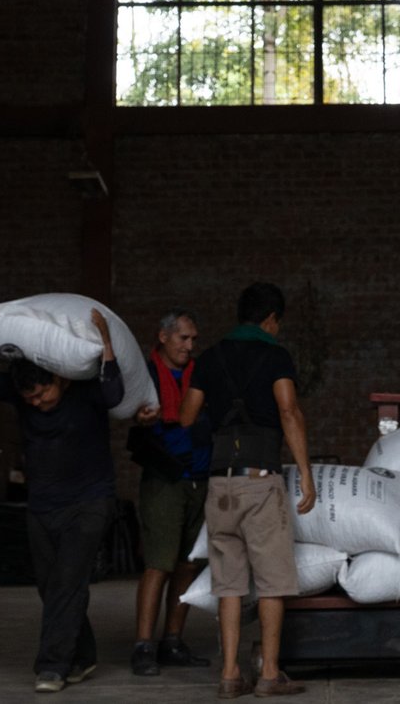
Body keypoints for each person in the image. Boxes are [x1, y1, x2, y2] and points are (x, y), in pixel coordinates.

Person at [0, 309, 145, 693]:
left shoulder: (85, 391)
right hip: (42, 505)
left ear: (60, 378)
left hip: (89, 502)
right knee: (50, 587)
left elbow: (115, 393)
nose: (37, 402)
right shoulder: (24, 397)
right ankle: (82, 656)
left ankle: (52, 666)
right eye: (30, 398)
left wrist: (105, 342)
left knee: (68, 583)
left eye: (41, 393)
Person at [177, 283, 316, 699]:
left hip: (220, 482)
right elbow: (288, 409)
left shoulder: (209, 358)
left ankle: (229, 675)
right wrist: (305, 472)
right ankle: (269, 674)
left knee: (229, 584)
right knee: (272, 582)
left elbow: (186, 417)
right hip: (260, 480)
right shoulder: (275, 356)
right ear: (271, 319)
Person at [129, 309, 210, 676]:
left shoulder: (200, 374)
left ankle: (172, 642)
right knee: (159, 564)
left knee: (188, 564)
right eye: (183, 338)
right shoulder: (144, 375)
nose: (189, 346)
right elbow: (126, 411)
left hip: (201, 478)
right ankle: (143, 646)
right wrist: (139, 418)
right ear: (163, 337)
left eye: (193, 340)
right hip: (165, 479)